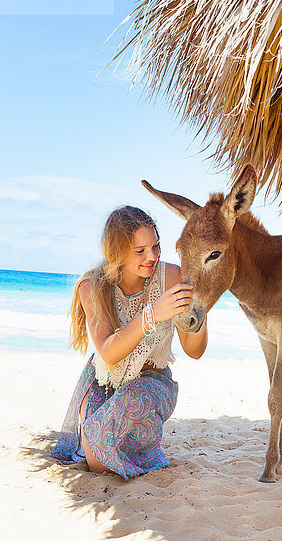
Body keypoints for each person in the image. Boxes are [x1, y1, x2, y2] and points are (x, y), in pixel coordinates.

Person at [51, 205, 207, 480]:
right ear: (117, 252)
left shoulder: (170, 277)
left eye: (156, 246)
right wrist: (153, 314)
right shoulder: (93, 285)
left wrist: (201, 309)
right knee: (94, 460)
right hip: (105, 378)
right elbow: (109, 353)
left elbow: (194, 351)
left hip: (151, 382)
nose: (152, 256)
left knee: (104, 452)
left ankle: (141, 439)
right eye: (140, 250)